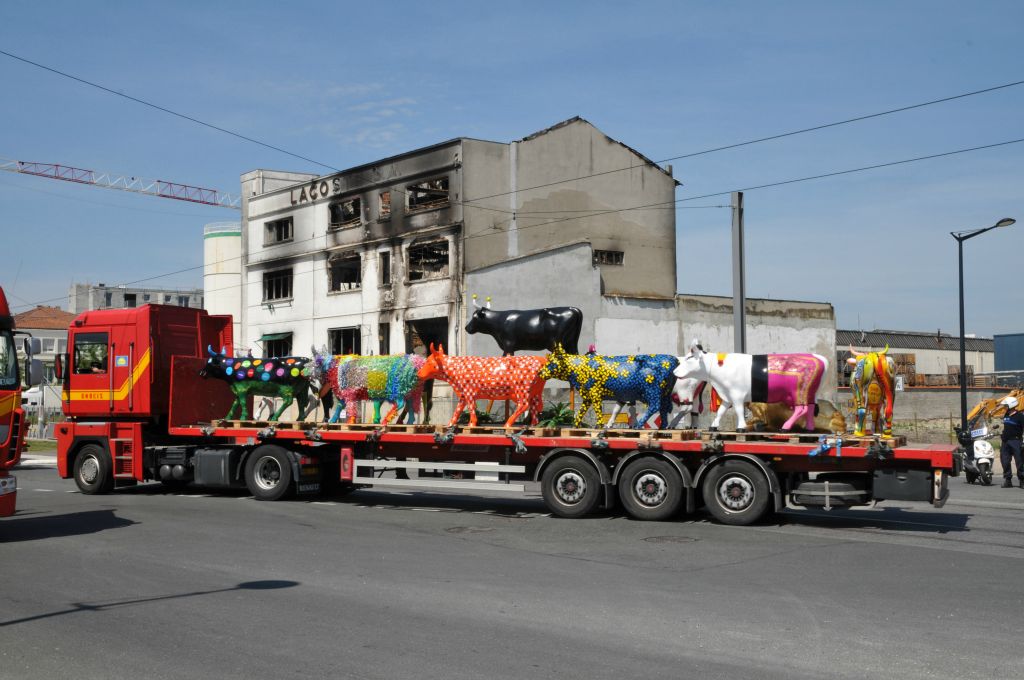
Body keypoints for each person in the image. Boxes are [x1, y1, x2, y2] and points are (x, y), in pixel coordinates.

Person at [999, 396, 1024, 488]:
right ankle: (1008, 480)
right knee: (1005, 461)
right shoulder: (1006, 414)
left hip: (1016, 441)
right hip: (1006, 442)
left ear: (1011, 405)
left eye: (1005, 406)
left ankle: (1022, 480)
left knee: (1020, 461)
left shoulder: (1020, 416)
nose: (1004, 407)